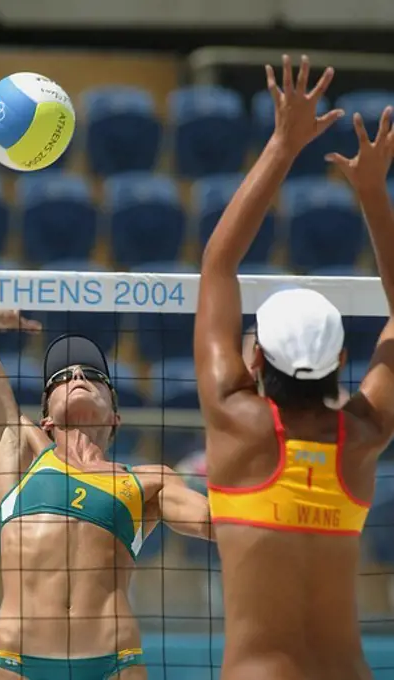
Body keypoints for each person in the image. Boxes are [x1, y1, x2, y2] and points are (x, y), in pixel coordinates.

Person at [195, 53, 394, 680]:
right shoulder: (361, 440)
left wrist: (283, 144)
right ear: (340, 360)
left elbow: (218, 266)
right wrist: (372, 193)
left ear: (255, 358)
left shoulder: (238, 424)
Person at [0, 313, 213, 680]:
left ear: (116, 417)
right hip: (18, 664)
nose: (79, 377)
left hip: (115, 664)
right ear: (46, 420)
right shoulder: (19, 450)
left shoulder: (150, 481)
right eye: (62, 378)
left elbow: (214, 522)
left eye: (94, 376)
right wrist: (1, 315)